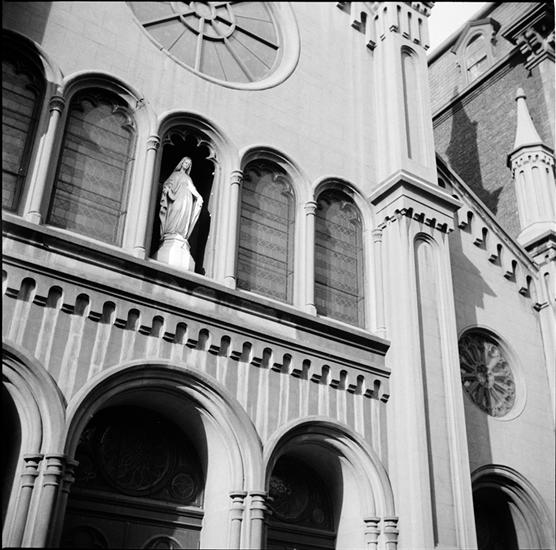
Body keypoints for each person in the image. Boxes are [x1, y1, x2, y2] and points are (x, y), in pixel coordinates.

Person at [158, 157, 203, 243]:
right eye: (186, 163)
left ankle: (181, 234)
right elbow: (167, 184)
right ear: (182, 163)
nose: (187, 165)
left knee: (184, 215)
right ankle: (170, 233)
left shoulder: (188, 178)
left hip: (187, 199)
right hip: (177, 197)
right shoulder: (175, 174)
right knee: (176, 210)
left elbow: (192, 189)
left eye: (189, 164)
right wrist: (168, 190)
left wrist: (199, 197)